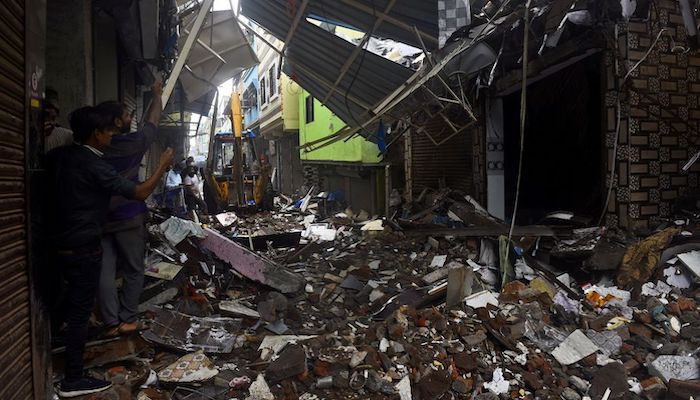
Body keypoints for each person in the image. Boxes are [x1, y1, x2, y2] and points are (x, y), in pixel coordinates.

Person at [45, 106, 173, 397]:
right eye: (108, 131)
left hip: (59, 241)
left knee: (67, 298)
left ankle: (104, 327)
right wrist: (162, 164)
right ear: (96, 133)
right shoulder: (96, 164)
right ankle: (73, 380)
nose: (113, 136)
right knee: (82, 309)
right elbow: (140, 192)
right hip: (85, 242)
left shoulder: (58, 157)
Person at [95, 81, 163, 338]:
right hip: (128, 216)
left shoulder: (94, 147)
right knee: (135, 268)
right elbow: (153, 123)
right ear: (118, 122)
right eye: (126, 115)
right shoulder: (134, 144)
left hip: (100, 218)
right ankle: (127, 319)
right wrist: (156, 96)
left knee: (105, 269)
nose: (130, 117)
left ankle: (111, 323)